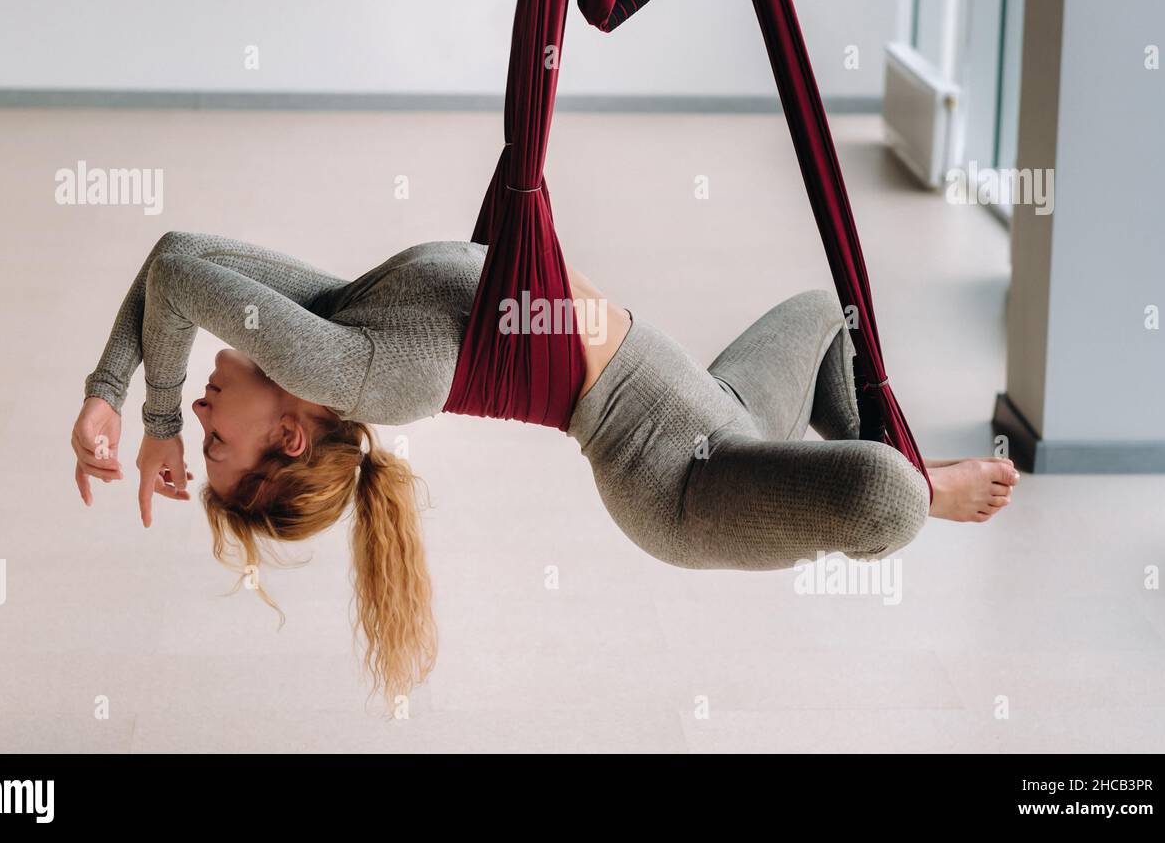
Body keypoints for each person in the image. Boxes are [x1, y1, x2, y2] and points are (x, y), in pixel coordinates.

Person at [70, 231, 1019, 705]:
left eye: (195, 430)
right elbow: (184, 286)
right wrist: (155, 417)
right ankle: (917, 490)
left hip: (716, 410)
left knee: (824, 316)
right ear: (286, 440)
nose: (195, 414)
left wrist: (112, 397)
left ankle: (849, 467)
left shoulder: (336, 324)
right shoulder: (352, 369)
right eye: (212, 442)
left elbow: (177, 258)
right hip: (681, 487)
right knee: (888, 497)